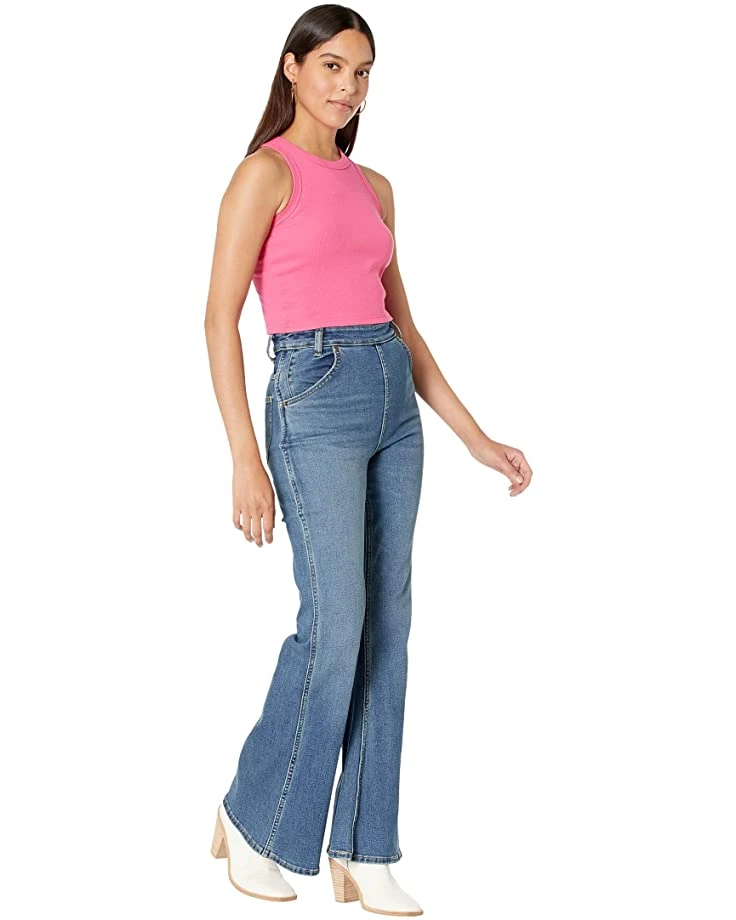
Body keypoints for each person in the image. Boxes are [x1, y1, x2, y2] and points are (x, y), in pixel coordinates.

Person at [204, 5, 533, 914]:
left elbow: (405, 328)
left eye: (362, 73)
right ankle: (254, 818)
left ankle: (364, 845)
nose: (347, 87)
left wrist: (475, 437)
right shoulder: (264, 174)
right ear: (292, 67)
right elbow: (218, 318)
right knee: (335, 624)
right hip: (312, 400)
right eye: (332, 67)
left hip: (391, 401)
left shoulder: (375, 187)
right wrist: (243, 455)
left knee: (388, 628)